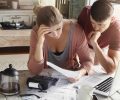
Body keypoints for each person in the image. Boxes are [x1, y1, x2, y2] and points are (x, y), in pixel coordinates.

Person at [28, 6, 93, 82]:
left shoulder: (76, 30)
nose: (55, 35)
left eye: (58, 28)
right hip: (47, 80)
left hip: (71, 79)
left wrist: (79, 73)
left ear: (62, 21)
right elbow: (34, 71)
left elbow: (88, 61)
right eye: (49, 32)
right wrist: (39, 44)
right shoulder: (36, 33)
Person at [77, 0, 120, 74]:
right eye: (92, 23)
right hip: (84, 44)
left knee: (98, 65)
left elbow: (111, 69)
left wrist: (94, 43)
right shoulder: (85, 12)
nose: (96, 28)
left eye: (101, 25)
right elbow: (76, 39)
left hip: (103, 47)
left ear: (111, 19)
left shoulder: (116, 29)